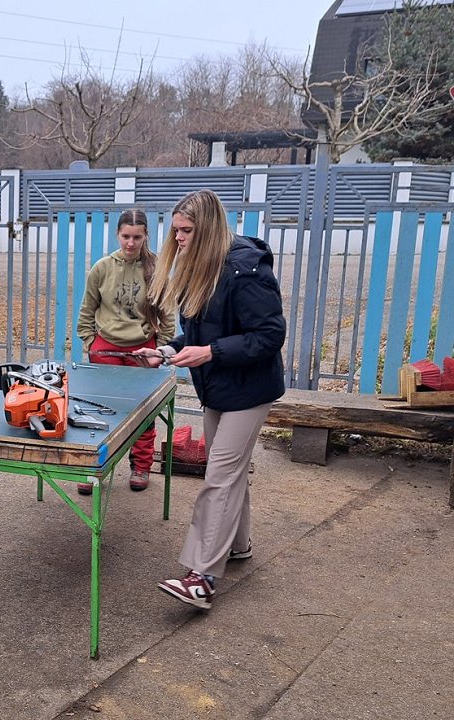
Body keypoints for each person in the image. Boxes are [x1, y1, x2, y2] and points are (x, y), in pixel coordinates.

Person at [140, 189, 286, 611]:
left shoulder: (245, 271)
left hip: (249, 391)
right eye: (176, 231)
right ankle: (237, 547)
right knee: (230, 473)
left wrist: (211, 354)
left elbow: (269, 336)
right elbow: (204, 334)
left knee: (219, 477)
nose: (179, 239)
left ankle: (202, 576)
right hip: (218, 387)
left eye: (187, 231)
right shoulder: (200, 266)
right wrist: (168, 350)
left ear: (208, 229)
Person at [76, 209, 176, 493]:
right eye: (125, 236)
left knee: (142, 412)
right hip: (105, 349)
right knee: (98, 411)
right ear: (117, 234)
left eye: (137, 237)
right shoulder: (102, 268)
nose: (130, 243)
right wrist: (90, 342)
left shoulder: (157, 269)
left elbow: (168, 315)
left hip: (143, 350)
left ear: (145, 236)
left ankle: (141, 467)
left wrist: (159, 349)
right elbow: (87, 310)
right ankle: (95, 468)